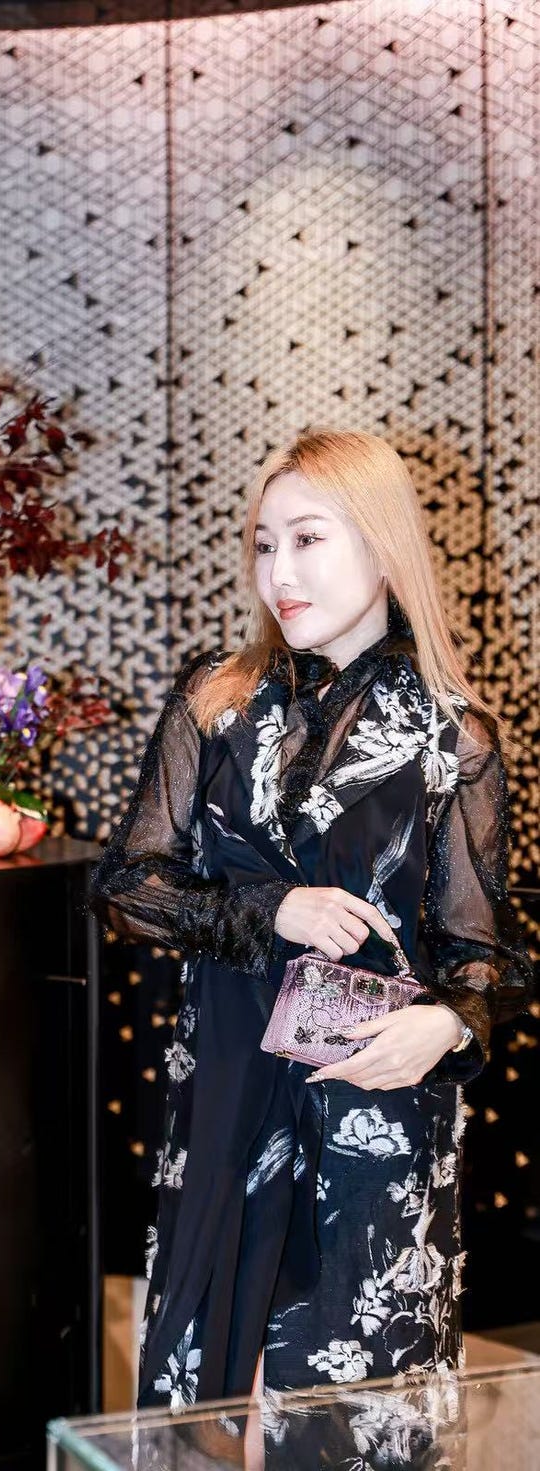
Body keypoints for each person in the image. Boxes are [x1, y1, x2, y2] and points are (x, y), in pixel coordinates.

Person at [88, 429, 534, 1460]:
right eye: (260, 545)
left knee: (340, 1420)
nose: (277, 573)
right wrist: (267, 910)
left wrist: (445, 1030)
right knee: (211, 1414)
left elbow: (481, 956)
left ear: (379, 546)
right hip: (227, 1100)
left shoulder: (452, 741)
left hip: (372, 1125)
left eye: (305, 539)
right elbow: (126, 887)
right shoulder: (216, 702)